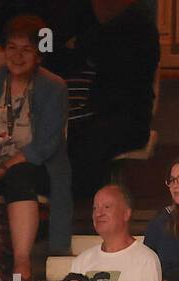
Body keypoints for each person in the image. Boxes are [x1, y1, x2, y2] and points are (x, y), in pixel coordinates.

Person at [0, 15, 71, 277]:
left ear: (39, 54)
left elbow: (46, 144)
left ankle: (22, 262)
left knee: (19, 177)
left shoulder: (53, 87)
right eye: (12, 47)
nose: (18, 56)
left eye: (27, 49)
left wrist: (2, 169)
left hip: (34, 165)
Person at [55, 0, 160, 203]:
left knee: (86, 144)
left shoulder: (141, 25)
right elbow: (57, 53)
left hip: (127, 120)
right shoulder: (80, 18)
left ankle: (85, 207)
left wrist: (82, 44)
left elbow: (117, 65)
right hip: (83, 118)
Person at [69, 185, 160, 281]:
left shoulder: (145, 259)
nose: (98, 213)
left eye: (106, 207)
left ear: (126, 214)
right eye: (95, 208)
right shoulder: (82, 261)